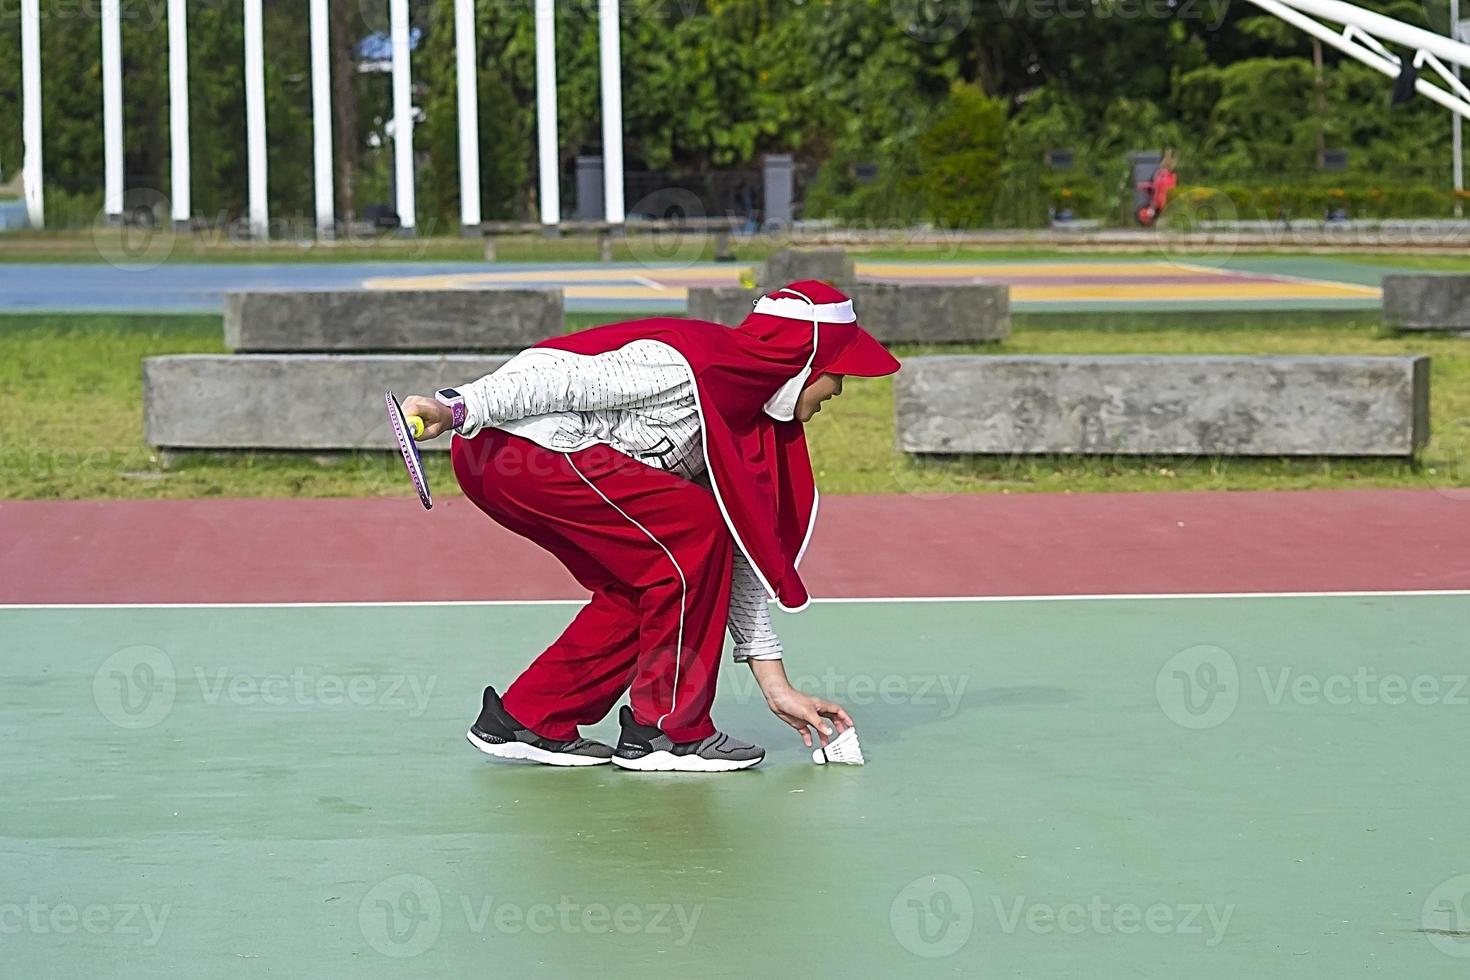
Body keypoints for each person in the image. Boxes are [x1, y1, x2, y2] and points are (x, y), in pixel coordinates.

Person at [400, 280, 900, 772]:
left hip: (511, 463)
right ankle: (668, 732)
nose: (837, 388)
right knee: (692, 533)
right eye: (837, 373)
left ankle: (530, 717)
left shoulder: (745, 422)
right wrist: (456, 406)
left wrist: (776, 685)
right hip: (516, 449)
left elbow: (735, 558)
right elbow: (564, 378)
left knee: (650, 583)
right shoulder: (697, 362)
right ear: (804, 363)